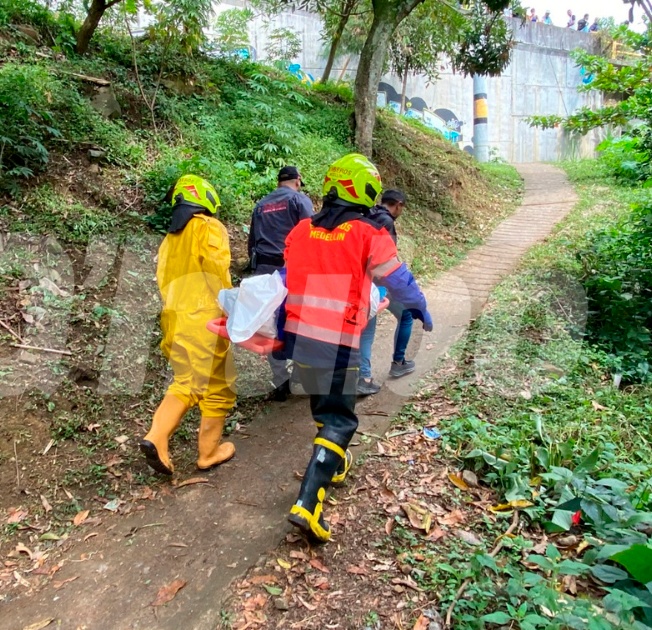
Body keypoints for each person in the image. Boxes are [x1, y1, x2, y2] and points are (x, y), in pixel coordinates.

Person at [281, 154, 433, 543]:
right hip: (338, 342)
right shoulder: (368, 234)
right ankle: (307, 503)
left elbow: (284, 279)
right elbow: (396, 279)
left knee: (324, 409)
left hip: (301, 339)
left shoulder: (300, 231)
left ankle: (335, 464)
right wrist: (418, 305)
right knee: (341, 421)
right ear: (364, 191)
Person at [140, 175, 237, 476]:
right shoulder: (208, 227)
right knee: (217, 386)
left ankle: (165, 438)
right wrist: (232, 309)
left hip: (174, 321)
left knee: (187, 381)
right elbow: (216, 270)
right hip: (205, 319)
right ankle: (202, 452)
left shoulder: (169, 240)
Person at [248, 166, 314, 401]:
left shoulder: (261, 204)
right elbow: (311, 234)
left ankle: (280, 380)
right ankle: (299, 374)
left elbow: (252, 239)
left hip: (264, 271)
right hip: (291, 272)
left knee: (272, 328)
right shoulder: (299, 200)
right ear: (298, 181)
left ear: (278, 182)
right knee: (298, 323)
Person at [357, 189, 417, 395]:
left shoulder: (366, 214)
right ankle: (398, 362)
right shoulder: (387, 222)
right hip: (379, 282)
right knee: (407, 314)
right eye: (402, 208)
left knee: (366, 328)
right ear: (398, 204)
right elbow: (385, 259)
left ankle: (363, 376)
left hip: (360, 280)